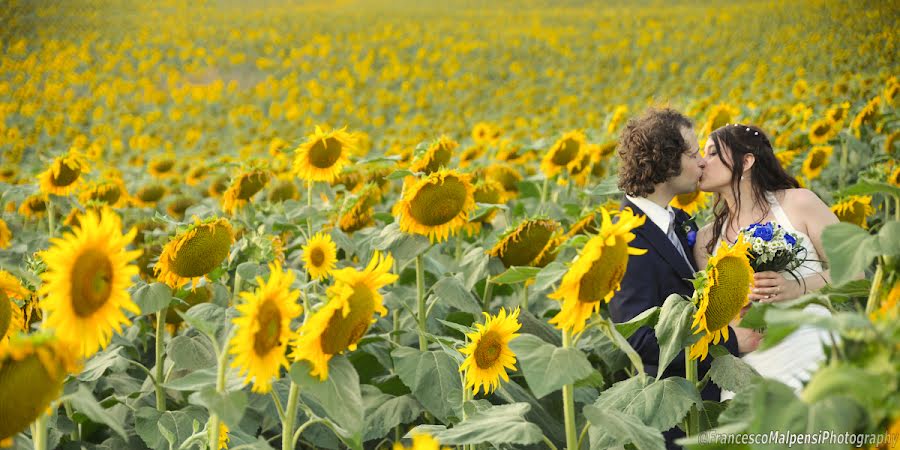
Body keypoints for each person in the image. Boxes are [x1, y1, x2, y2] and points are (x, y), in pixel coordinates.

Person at [609, 108, 762, 450]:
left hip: (703, 399)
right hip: (674, 415)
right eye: (694, 155)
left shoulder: (677, 220)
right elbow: (639, 337)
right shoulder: (625, 239)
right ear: (666, 162)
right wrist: (731, 341)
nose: (702, 164)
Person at [693, 123, 839, 399]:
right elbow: (714, 318)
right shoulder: (706, 240)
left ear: (746, 161)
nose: (702, 162)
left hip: (811, 351)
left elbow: (854, 273)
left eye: (712, 153)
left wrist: (795, 287)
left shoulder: (799, 203)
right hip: (750, 371)